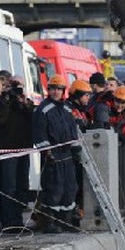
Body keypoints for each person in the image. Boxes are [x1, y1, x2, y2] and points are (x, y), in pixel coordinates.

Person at [33, 75, 79, 233]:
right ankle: (48, 222)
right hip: (52, 155)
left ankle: (66, 220)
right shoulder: (43, 109)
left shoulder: (66, 109)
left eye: (58, 89)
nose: (55, 92)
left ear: (63, 91)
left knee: (70, 188)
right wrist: (47, 150)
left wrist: (75, 147)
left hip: (67, 155)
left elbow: (72, 130)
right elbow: (39, 133)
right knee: (54, 188)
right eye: (52, 89)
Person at [0, 75, 34, 232]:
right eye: (14, 85)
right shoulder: (1, 101)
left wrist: (22, 101)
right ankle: (9, 222)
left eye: (19, 85)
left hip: (23, 149)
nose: (17, 88)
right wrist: (7, 97)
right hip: (7, 150)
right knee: (9, 186)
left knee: (22, 185)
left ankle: (18, 219)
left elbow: (32, 117)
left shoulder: (24, 101)